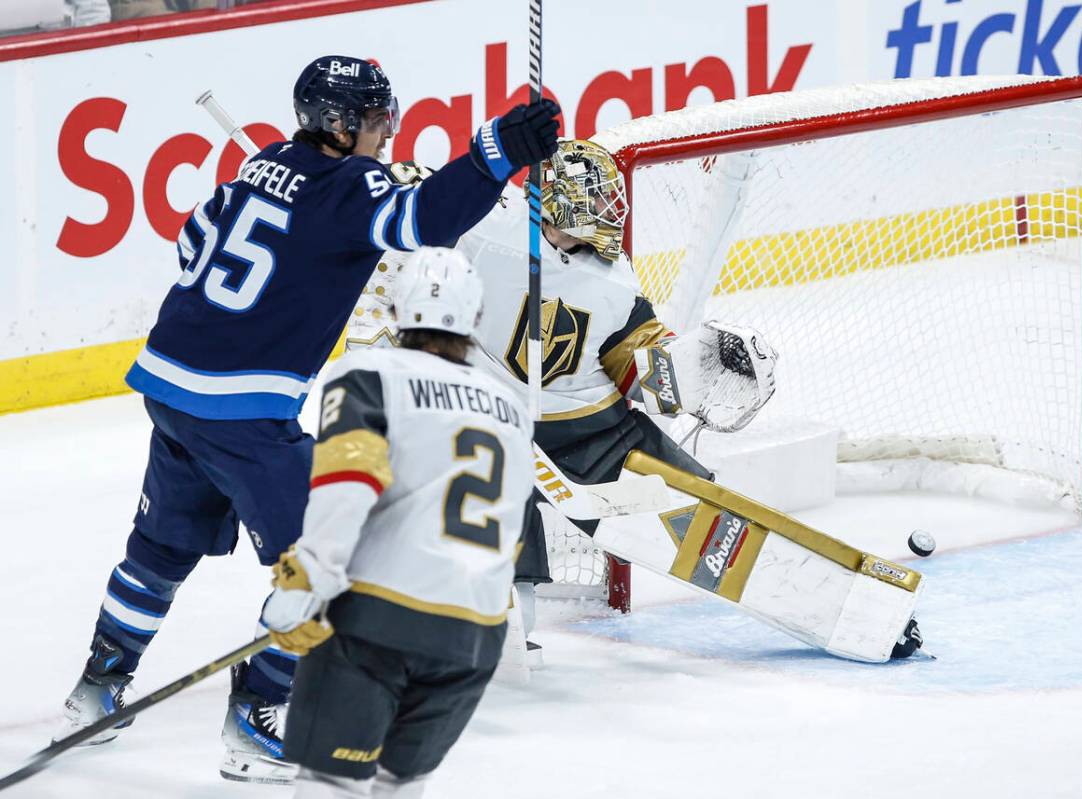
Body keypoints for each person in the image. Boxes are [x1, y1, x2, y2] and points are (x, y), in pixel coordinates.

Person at [54, 53, 559, 784]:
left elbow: (193, 240)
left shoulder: (262, 163)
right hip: (244, 409)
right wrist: (498, 152)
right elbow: (423, 222)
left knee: (159, 549)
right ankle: (255, 711)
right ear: (339, 121)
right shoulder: (353, 186)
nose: (388, 128)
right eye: (378, 116)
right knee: (328, 558)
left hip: (168, 380)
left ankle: (97, 685)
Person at [348, 140, 924, 661]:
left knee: (708, 513)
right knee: (494, 500)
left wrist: (692, 372)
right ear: (558, 202)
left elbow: (638, 363)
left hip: (595, 433)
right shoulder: (482, 224)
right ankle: (505, 633)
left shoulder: (615, 279)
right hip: (492, 417)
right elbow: (403, 215)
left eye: (609, 202)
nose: (608, 215)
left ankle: (855, 611)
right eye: (594, 203)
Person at [262, 245, 534, 799]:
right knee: (400, 788)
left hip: (379, 620)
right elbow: (514, 524)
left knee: (330, 784)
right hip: (475, 633)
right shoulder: (510, 407)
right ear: (476, 318)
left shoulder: (368, 372)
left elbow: (347, 482)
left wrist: (311, 577)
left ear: (395, 309)